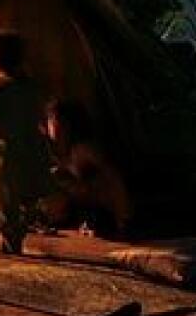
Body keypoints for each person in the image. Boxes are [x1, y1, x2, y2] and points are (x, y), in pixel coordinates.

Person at [0, 30, 51, 255]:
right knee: (25, 199)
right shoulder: (32, 87)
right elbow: (39, 116)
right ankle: (19, 235)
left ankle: (10, 243)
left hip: (3, 156)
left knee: (7, 203)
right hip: (31, 150)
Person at [45, 100, 133, 237]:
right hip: (82, 214)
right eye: (50, 120)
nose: (50, 125)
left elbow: (113, 178)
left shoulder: (84, 150)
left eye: (54, 120)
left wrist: (123, 217)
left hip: (103, 211)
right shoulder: (56, 153)